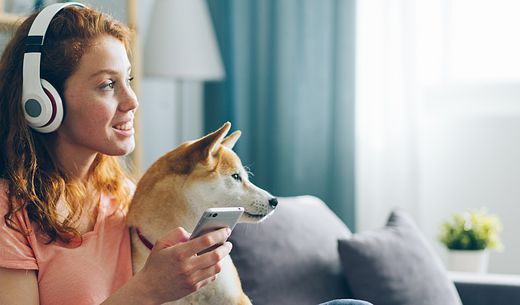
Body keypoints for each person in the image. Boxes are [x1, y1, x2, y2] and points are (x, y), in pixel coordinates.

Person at [0, 3, 371, 305]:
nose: (132, 101)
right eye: (107, 85)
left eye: (128, 80)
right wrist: (147, 291)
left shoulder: (126, 200)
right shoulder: (10, 215)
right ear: (42, 102)